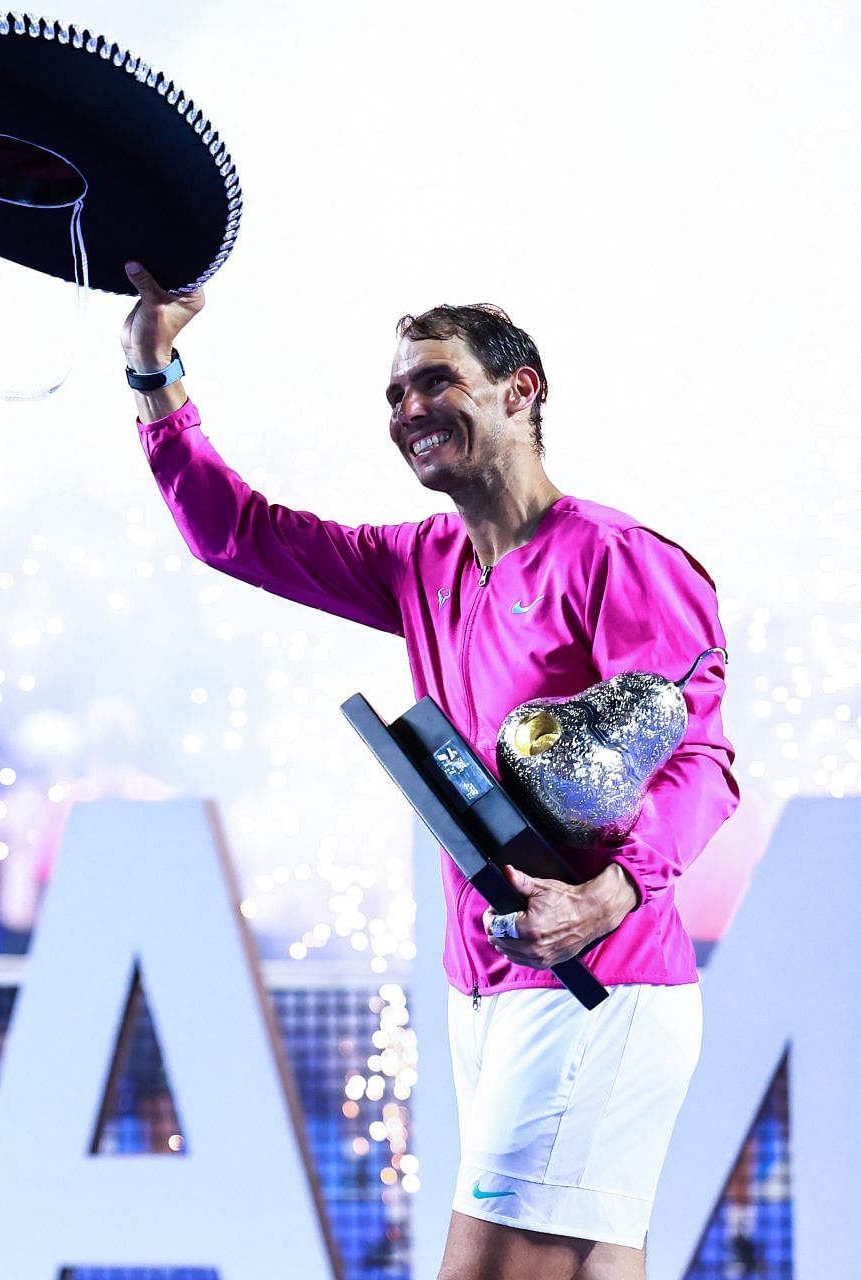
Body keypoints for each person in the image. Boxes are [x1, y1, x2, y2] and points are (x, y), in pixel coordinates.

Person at [119, 266, 739, 1279]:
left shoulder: (620, 559)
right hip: (487, 983)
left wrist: (607, 891)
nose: (409, 408)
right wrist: (154, 371)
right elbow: (235, 533)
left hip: (597, 976)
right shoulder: (420, 562)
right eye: (395, 395)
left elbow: (703, 762)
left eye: (435, 381)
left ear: (521, 391)